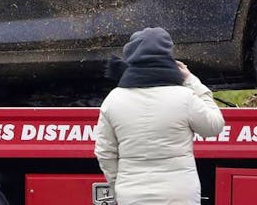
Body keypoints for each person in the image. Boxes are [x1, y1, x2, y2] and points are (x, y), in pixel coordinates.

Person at [94, 27, 225, 205]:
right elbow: (214, 126)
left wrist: (119, 186)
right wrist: (192, 80)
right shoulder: (184, 97)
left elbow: (105, 152)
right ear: (168, 57)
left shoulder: (114, 100)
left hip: (132, 194)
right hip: (180, 194)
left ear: (131, 57)